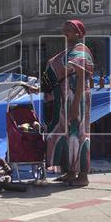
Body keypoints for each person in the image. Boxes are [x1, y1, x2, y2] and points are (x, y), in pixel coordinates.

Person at [40, 20, 94, 187]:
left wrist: (74, 105)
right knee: (65, 134)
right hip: (63, 100)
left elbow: (80, 80)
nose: (65, 32)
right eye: (64, 29)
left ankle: (83, 175)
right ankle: (70, 172)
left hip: (76, 99)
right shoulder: (67, 52)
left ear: (79, 33)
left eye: (69, 30)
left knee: (79, 135)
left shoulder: (81, 51)